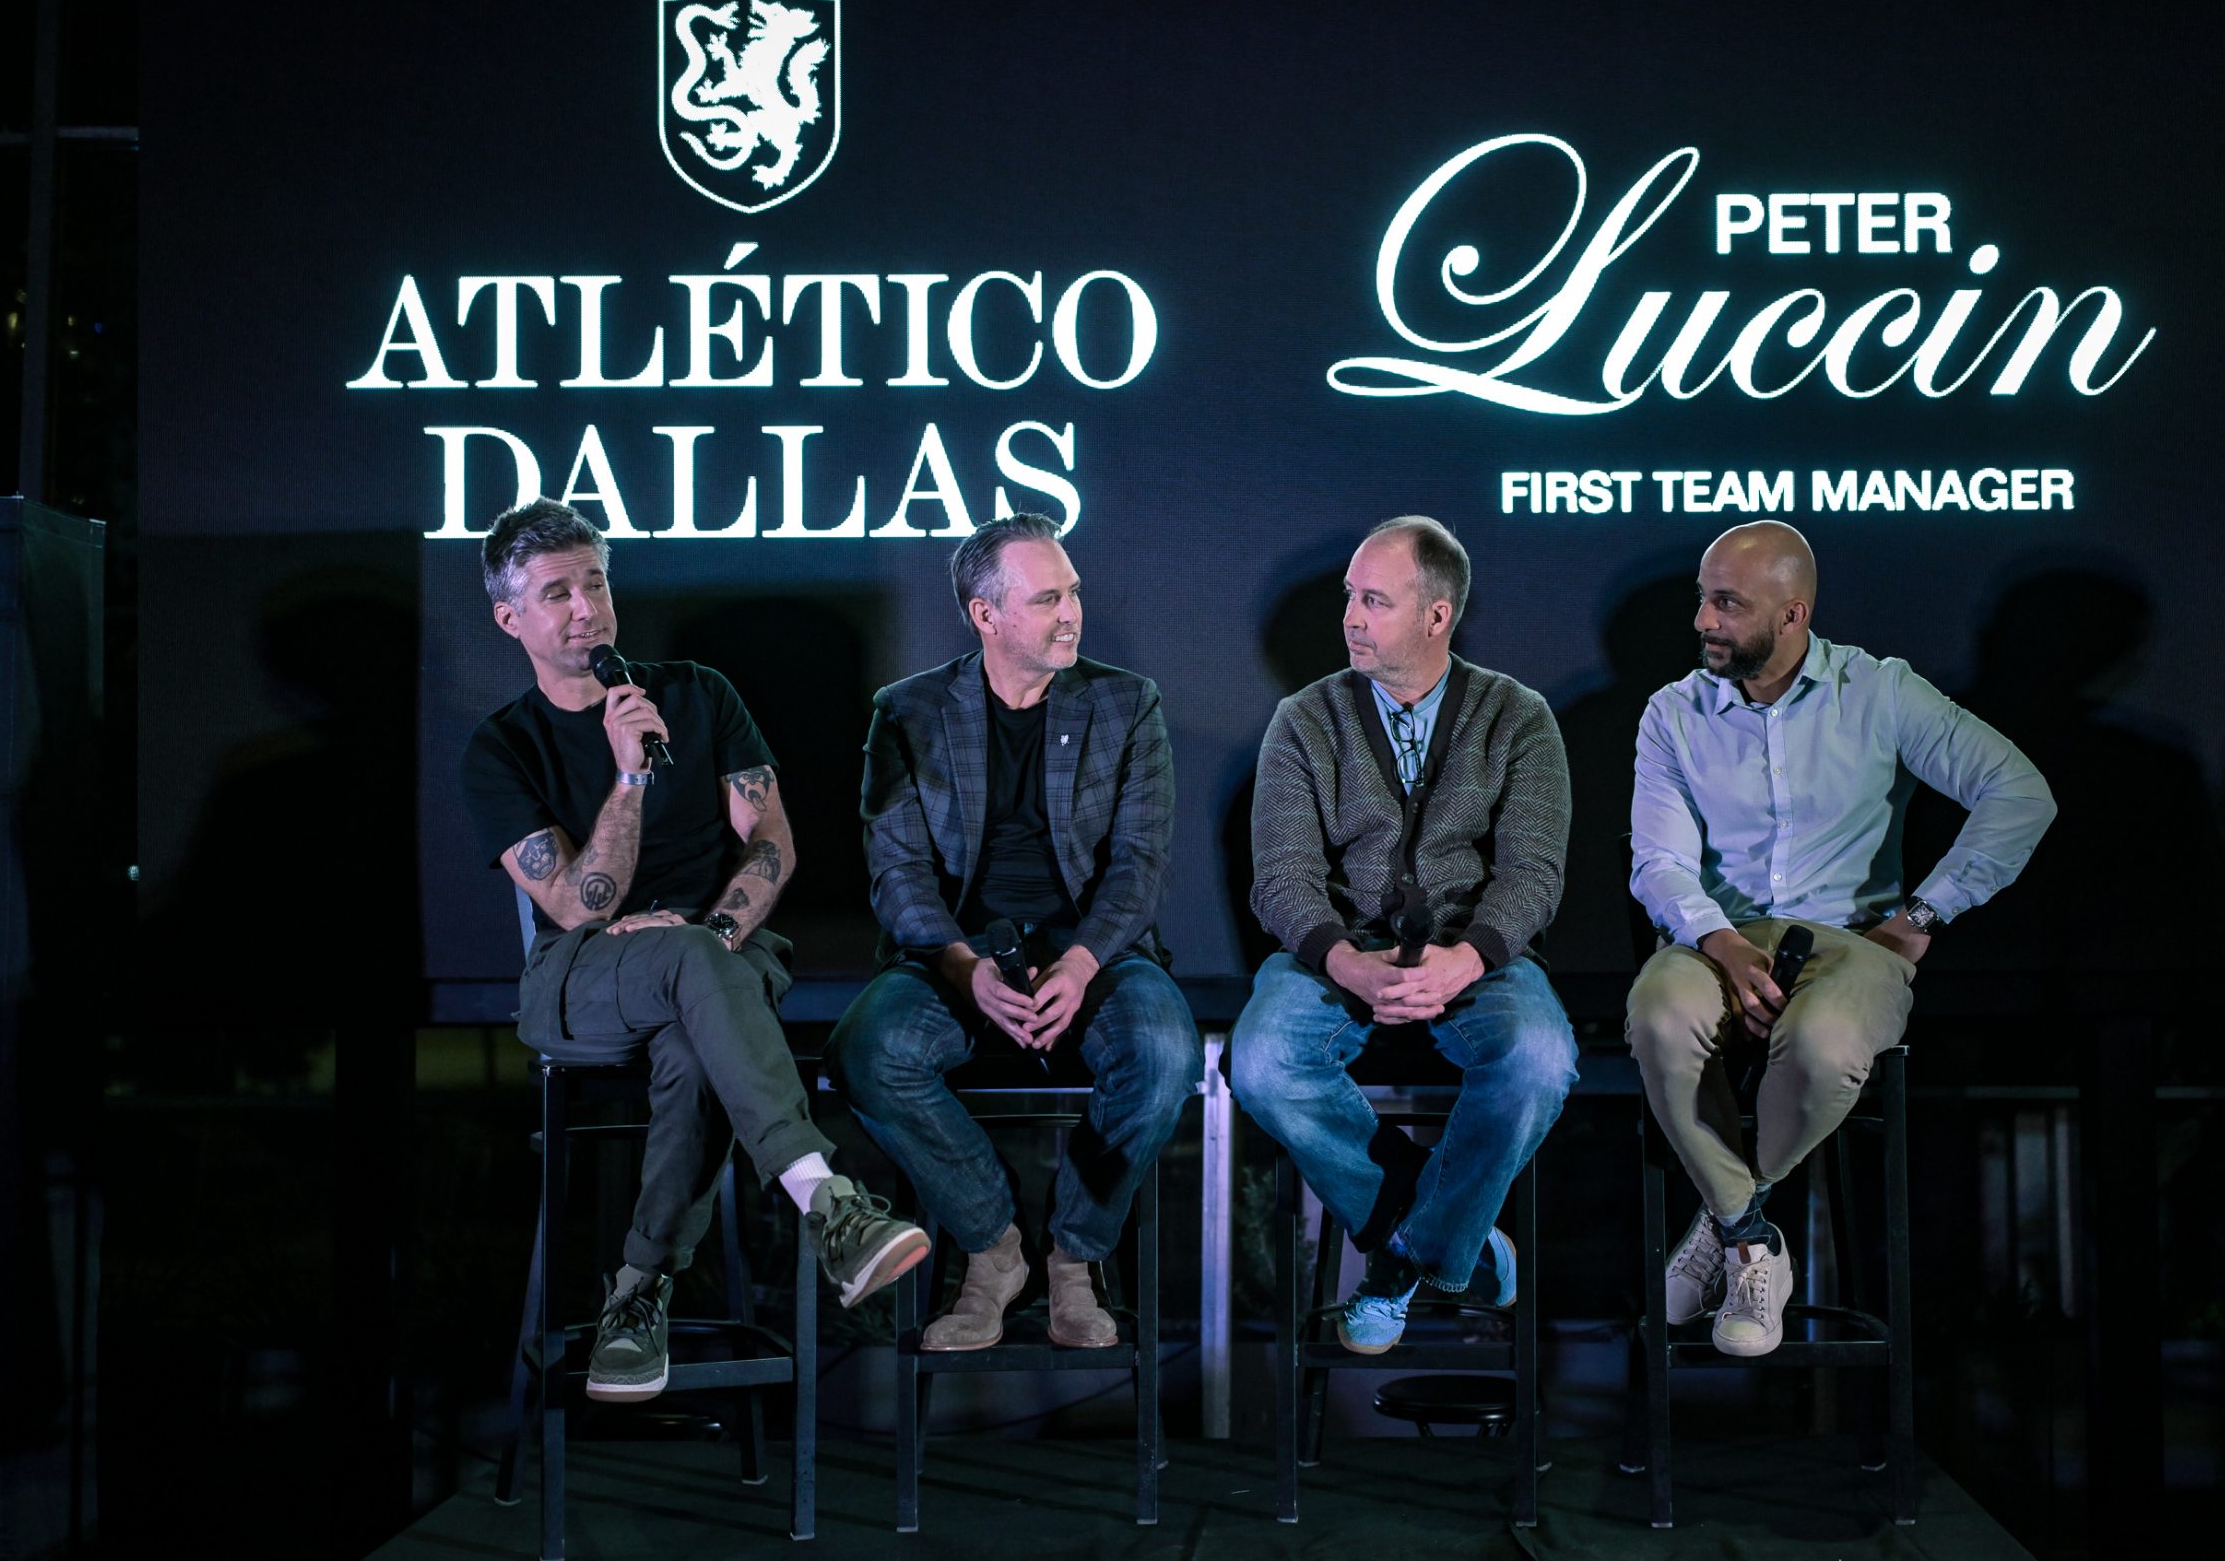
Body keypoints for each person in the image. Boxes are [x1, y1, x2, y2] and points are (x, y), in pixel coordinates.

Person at [459, 499, 927, 1403]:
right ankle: (829, 1203)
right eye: (557, 594)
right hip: (583, 977)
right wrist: (630, 773)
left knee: (693, 1037)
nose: (587, 609)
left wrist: (708, 935)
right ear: (510, 618)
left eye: (596, 583)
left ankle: (636, 1294)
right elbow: (576, 903)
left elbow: (772, 842)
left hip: (720, 954)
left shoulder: (699, 693)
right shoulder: (502, 747)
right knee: (693, 974)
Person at [1626, 520, 2055, 1356]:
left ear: (1793, 615)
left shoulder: (1881, 691)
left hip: (1852, 944)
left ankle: (1726, 1225)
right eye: (1702, 599)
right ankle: (1754, 1240)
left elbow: (2018, 792)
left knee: (1824, 1044)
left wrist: (1926, 913)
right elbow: (1659, 862)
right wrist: (1720, 942)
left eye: (1727, 604)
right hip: (1721, 936)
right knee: (1657, 1013)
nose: (1703, 621)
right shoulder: (1674, 713)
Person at [827, 514, 1198, 1351]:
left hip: (1095, 953)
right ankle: (993, 1251)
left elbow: (1139, 864)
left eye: (1073, 593)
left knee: (1164, 1053)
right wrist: (964, 969)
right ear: (985, 615)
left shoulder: (1126, 703)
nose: (1071, 614)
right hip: (955, 954)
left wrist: (1081, 960)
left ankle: (1074, 1258)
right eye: (1046, 600)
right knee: (868, 1052)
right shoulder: (909, 711)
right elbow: (897, 871)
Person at [1230, 515, 1578, 1355]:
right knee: (1263, 1061)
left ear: (1436, 615)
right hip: (1337, 952)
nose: (1351, 617)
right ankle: (1458, 1244)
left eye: (1375, 601)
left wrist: (1468, 959)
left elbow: (1533, 873)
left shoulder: (1517, 717)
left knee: (1539, 1060)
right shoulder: (1304, 719)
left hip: (1477, 957)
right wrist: (1345, 962)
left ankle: (1401, 1262)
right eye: (1351, 597)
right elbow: (1280, 879)